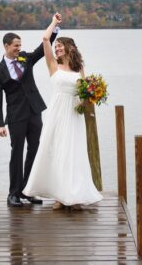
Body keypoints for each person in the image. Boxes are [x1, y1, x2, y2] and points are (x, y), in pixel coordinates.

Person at [22, 32, 103, 209]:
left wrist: (91, 95)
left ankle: (75, 196)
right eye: (56, 46)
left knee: (74, 152)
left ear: (70, 48)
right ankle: (59, 197)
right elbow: (45, 39)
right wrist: (53, 23)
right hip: (57, 114)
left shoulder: (78, 68)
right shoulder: (53, 65)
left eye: (60, 45)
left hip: (74, 113)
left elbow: (84, 91)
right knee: (57, 151)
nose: (57, 48)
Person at [0, 13, 61, 207]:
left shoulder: (25, 58)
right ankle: (13, 193)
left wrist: (54, 26)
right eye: (15, 46)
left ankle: (27, 191)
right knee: (17, 152)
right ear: (6, 46)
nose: (19, 49)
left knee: (34, 150)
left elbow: (41, 50)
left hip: (34, 110)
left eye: (20, 46)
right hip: (15, 116)